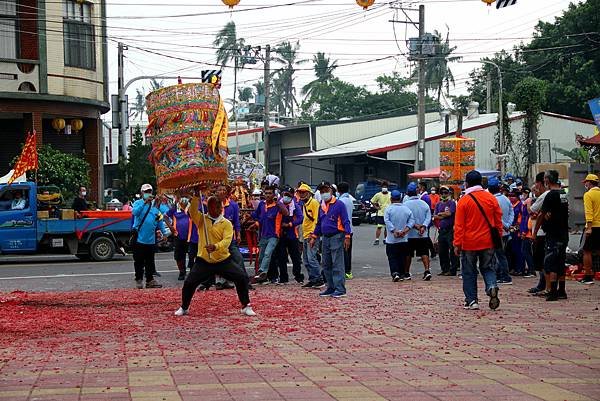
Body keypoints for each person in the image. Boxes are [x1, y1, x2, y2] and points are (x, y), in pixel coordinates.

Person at [175, 195, 255, 317]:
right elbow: (192, 211)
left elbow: (227, 241)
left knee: (242, 277)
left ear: (221, 207)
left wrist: (216, 246)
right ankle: (184, 306)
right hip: (204, 260)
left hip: (223, 259)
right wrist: (196, 197)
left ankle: (246, 305)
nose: (215, 209)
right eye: (212, 207)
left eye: (218, 206)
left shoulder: (226, 223)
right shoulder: (201, 219)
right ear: (208, 207)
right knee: (189, 282)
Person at [454, 170, 502, 310]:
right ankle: (492, 286)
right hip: (488, 241)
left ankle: (472, 300)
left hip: (469, 243)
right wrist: (497, 237)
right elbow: (498, 220)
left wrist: (457, 244)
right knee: (488, 267)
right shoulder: (491, 198)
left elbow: (459, 226)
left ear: (467, 183)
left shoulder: (464, 201)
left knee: (469, 271)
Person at [309, 181, 352, 298]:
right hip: (325, 237)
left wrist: (347, 236)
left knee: (337, 263)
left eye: (326, 191)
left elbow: (345, 221)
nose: (324, 193)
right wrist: (314, 236)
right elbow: (319, 223)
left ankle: (340, 289)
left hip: (337, 236)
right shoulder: (322, 206)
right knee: (326, 264)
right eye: (322, 192)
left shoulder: (339, 204)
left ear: (331, 191)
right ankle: (331, 287)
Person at [533, 170, 569, 301]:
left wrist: (535, 232)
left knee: (551, 261)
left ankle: (553, 291)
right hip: (563, 232)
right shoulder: (563, 194)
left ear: (547, 180)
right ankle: (562, 290)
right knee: (561, 260)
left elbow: (542, 214)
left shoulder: (550, 195)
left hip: (553, 232)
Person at [131, 183, 168, 289]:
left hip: (151, 240)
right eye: (146, 192)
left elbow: (159, 220)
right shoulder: (138, 203)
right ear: (142, 193)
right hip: (139, 238)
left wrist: (164, 233)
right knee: (138, 261)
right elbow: (135, 213)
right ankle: (139, 279)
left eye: (149, 191)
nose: (148, 194)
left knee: (150, 261)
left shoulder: (155, 206)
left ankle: (150, 280)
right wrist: (144, 203)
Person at [251, 185, 289, 283]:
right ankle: (261, 275)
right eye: (266, 193)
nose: (267, 195)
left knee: (268, 253)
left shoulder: (278, 205)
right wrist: (255, 221)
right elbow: (256, 215)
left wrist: (278, 202)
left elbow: (286, 213)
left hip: (274, 235)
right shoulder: (261, 205)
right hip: (263, 235)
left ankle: (262, 271)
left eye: (270, 193)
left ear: (274, 194)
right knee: (261, 256)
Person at [271, 185, 304, 284]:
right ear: (282, 194)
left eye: (289, 195)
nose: (286, 197)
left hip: (292, 234)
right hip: (280, 234)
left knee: (296, 257)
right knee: (281, 257)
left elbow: (300, 218)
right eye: (285, 194)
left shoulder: (295, 206)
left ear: (292, 195)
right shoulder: (277, 204)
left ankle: (298, 276)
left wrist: (290, 224)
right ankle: (283, 277)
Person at [403, 182, 433, 281]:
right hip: (422, 234)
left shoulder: (405, 205)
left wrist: (415, 226)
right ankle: (427, 270)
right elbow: (428, 217)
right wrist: (423, 226)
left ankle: (406, 273)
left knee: (408, 254)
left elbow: (406, 219)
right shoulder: (424, 204)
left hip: (410, 234)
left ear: (408, 193)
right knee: (424, 252)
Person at [384, 190, 415, 282]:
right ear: (401, 198)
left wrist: (394, 230)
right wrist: (405, 230)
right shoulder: (406, 209)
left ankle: (395, 273)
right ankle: (401, 273)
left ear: (391, 199)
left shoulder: (388, 209)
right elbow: (412, 221)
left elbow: (387, 221)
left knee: (392, 257)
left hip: (391, 239)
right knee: (402, 257)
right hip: (403, 239)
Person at [297, 183, 324, 288]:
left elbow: (317, 220)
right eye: (300, 192)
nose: (301, 194)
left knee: (311, 258)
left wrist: (314, 235)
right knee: (306, 260)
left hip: (311, 235)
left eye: (303, 192)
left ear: (309, 193)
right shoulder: (305, 204)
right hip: (306, 234)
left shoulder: (314, 203)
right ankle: (313, 279)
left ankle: (318, 279)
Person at [488, 177, 514, 285]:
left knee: (498, 255)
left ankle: (504, 276)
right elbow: (512, 212)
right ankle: (501, 275)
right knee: (501, 255)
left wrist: (504, 225)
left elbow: (496, 216)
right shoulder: (506, 198)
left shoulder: (492, 200)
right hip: (505, 231)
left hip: (497, 231)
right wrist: (508, 224)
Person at [528, 172, 550, 294]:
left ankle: (545, 286)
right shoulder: (552, 194)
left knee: (541, 261)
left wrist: (531, 199)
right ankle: (546, 285)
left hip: (541, 233)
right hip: (546, 232)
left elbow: (531, 210)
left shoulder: (543, 196)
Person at [433, 186, 459, 276]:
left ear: (449, 193)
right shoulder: (438, 204)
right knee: (442, 250)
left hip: (450, 230)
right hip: (442, 230)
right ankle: (444, 269)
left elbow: (450, 213)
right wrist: (443, 215)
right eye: (442, 193)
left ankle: (453, 269)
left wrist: (441, 214)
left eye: (445, 192)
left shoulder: (451, 203)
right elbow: (435, 216)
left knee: (452, 250)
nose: (444, 194)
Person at [165, 197, 192, 280]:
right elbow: (165, 216)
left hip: (191, 236)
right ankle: (182, 272)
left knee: (192, 254)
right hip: (178, 236)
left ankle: (193, 272)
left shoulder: (192, 207)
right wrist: (170, 227)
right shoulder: (174, 208)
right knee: (179, 255)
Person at [580, 174, 599, 285]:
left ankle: (588, 276)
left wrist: (589, 228)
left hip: (594, 226)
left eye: (586, 182)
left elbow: (589, 212)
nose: (585, 184)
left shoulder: (588, 195)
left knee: (587, 251)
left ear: (590, 183)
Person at [337, 182, 355, 280]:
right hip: (350, 228)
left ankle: (346, 271)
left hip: (343, 228)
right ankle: (348, 271)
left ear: (338, 190)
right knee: (348, 251)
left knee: (344, 251)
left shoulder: (341, 201)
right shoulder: (349, 200)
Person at [519, 188, 536, 278]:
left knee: (526, 251)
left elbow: (528, 214)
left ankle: (531, 270)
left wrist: (524, 231)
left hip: (528, 231)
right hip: (526, 229)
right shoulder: (526, 201)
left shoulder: (529, 201)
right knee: (526, 251)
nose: (523, 194)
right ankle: (530, 269)